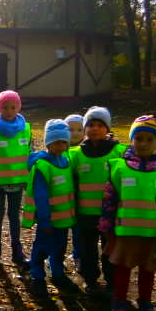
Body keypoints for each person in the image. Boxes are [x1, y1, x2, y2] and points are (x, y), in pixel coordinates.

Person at [100, 115, 156, 311]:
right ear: (131, 140)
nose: (143, 144)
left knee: (148, 270)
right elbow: (109, 200)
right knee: (123, 268)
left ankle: (145, 303)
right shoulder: (119, 167)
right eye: (138, 138)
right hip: (125, 232)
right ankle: (119, 301)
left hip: (154, 233)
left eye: (149, 139)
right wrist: (107, 228)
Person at [68, 107, 123, 296]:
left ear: (107, 128)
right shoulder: (76, 154)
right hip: (85, 213)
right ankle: (90, 280)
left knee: (110, 248)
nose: (95, 129)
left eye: (100, 125)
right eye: (91, 125)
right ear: (85, 128)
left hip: (111, 213)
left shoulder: (119, 152)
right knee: (87, 250)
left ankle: (112, 281)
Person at [23, 119, 80, 297]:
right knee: (42, 248)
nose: (61, 146)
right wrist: (45, 220)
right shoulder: (42, 166)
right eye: (56, 142)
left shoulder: (66, 161)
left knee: (59, 248)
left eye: (64, 142)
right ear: (48, 143)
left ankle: (58, 273)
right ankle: (37, 277)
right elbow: (40, 197)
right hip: (48, 221)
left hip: (64, 219)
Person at [0, 90, 31, 271]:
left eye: (13, 107)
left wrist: (30, 179)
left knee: (14, 216)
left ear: (18, 108)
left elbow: (30, 155)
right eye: (5, 107)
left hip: (17, 183)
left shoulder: (26, 129)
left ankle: (17, 252)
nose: (9, 111)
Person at [63, 113, 85, 270]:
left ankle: (78, 256)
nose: (75, 133)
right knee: (60, 231)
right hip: (62, 198)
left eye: (79, 129)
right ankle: (56, 257)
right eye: (70, 129)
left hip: (80, 198)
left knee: (78, 230)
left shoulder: (87, 151)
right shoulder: (59, 149)